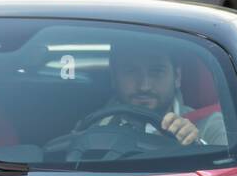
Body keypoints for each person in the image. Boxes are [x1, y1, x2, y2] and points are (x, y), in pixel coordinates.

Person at [80, 41, 227, 146]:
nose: (144, 86)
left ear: (177, 77)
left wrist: (196, 145)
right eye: (131, 71)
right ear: (113, 78)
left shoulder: (210, 127)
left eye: (157, 72)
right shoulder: (90, 128)